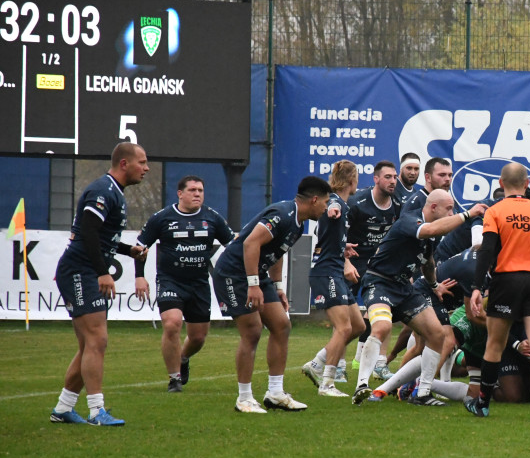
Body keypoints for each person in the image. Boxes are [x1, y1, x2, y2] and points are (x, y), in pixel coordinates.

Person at [353, 189, 487, 405]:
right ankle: (362, 386)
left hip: (405, 289)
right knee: (382, 327)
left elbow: (428, 262)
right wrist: (468, 215)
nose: (452, 213)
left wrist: (434, 285)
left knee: (437, 335)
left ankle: (422, 392)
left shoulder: (432, 235)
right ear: (433, 207)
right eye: (449, 209)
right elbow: (430, 230)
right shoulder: (410, 220)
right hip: (380, 282)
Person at [213, 176, 332, 413]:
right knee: (252, 330)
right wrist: (253, 284)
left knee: (281, 325)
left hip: (256, 273)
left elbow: (278, 253)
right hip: (234, 273)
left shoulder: (298, 223)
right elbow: (250, 244)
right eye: (326, 202)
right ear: (314, 199)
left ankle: (275, 393)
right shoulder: (283, 214)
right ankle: (244, 399)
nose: (326, 208)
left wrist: (278, 287)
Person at [50, 142, 150, 425]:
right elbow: (88, 232)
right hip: (80, 271)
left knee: (89, 344)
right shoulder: (103, 191)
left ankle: (63, 408)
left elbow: (102, 237)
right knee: (97, 340)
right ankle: (97, 411)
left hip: (86, 270)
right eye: (142, 162)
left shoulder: (114, 192)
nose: (146, 168)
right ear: (124, 164)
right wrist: (103, 272)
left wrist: (127, 250)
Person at [466, 163, 530, 422]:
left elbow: (486, 251)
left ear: (500, 183)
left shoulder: (495, 211)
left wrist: (476, 288)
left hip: (506, 281)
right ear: (527, 183)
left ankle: (482, 404)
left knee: (495, 344)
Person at [133, 175, 236, 392]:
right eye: (192, 190)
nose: (197, 194)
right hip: (170, 280)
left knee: (198, 337)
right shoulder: (162, 218)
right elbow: (140, 247)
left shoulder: (212, 217)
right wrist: (139, 276)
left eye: (200, 190)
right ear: (180, 194)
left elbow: (234, 246)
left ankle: (183, 357)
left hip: (199, 283)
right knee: (172, 324)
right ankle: (174, 379)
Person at [301, 161, 365, 398]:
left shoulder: (342, 204)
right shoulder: (336, 202)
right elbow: (332, 207)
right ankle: (327, 383)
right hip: (326, 272)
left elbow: (325, 233)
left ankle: (317, 363)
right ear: (351, 180)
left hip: (335, 270)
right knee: (344, 327)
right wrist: (333, 209)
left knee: (358, 326)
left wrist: (342, 247)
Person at [344, 160, 401, 378]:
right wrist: (345, 262)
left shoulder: (398, 204)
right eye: (387, 177)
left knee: (382, 312)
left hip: (378, 266)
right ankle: (337, 364)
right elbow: (337, 234)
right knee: (345, 317)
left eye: (394, 177)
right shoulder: (356, 202)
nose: (392, 181)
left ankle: (376, 363)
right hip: (353, 262)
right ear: (375, 179)